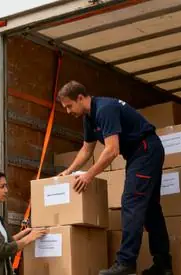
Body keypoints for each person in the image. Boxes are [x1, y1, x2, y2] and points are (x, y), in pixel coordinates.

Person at [56, 80, 172, 275]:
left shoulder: (104, 109)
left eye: (69, 106)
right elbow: (86, 149)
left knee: (131, 202)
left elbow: (112, 150)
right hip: (141, 153)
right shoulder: (89, 118)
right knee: (150, 208)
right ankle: (163, 264)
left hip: (145, 149)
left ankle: (125, 263)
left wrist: (88, 176)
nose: (68, 112)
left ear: (80, 98)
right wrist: (69, 171)